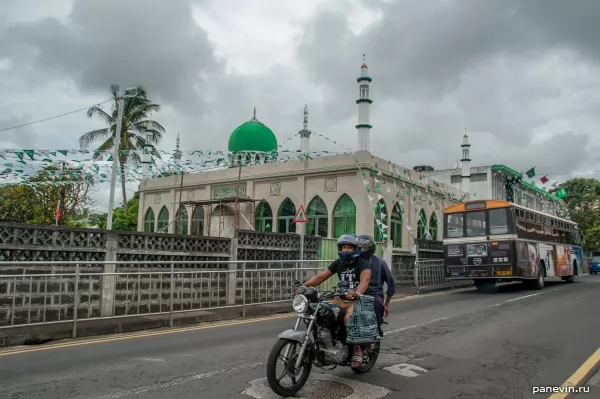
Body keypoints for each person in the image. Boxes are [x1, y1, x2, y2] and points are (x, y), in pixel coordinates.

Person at [298, 233, 372, 368]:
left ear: (355, 249)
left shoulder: (363, 264)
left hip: (356, 300)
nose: (346, 250)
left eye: (349, 247)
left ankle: (357, 350)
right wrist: (304, 286)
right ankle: (327, 342)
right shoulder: (339, 263)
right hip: (340, 298)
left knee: (349, 320)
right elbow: (321, 277)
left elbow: (364, 281)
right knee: (321, 311)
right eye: (343, 247)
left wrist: (357, 292)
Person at [357, 234, 395, 336]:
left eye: (365, 247)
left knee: (377, 305)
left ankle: (376, 332)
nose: (362, 249)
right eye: (360, 247)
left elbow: (391, 283)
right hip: (353, 293)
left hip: (374, 294)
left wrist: (386, 304)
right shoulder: (352, 261)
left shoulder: (379, 263)